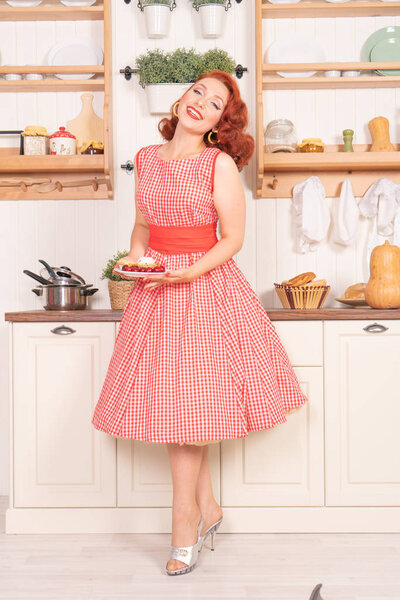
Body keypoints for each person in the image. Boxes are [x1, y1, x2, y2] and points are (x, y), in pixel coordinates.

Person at [91, 70, 309, 576]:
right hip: (154, 292)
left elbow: (232, 238)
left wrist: (187, 271)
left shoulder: (218, 165)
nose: (201, 103)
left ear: (217, 125)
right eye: (197, 93)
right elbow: (144, 225)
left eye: (214, 104)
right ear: (181, 99)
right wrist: (136, 261)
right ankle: (207, 509)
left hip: (204, 289)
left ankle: (184, 521)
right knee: (183, 408)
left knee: (187, 407)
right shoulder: (147, 159)